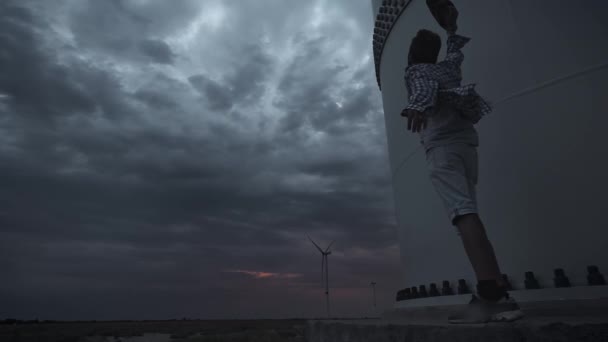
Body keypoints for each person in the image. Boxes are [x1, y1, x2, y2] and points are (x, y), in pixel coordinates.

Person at [400, 0, 524, 324]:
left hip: (443, 148)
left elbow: (423, 88)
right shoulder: (448, 69)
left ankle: (492, 297)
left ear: (412, 55)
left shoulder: (416, 71)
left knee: (463, 216)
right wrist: (451, 29)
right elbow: (456, 55)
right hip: (467, 146)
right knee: (470, 217)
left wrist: (416, 105)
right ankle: (497, 290)